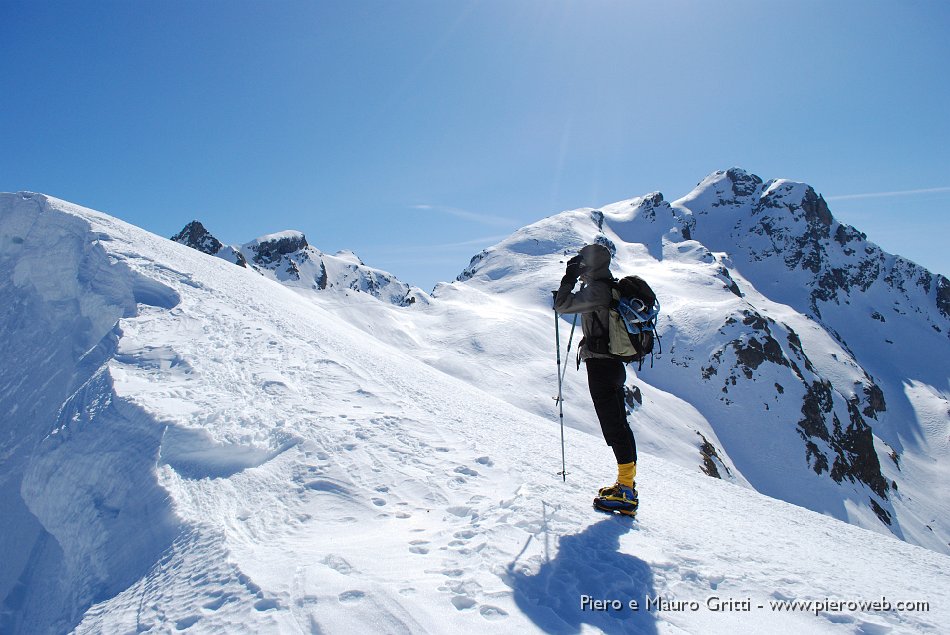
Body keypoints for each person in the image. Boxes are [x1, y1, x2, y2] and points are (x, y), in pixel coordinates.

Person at [554, 244, 638, 514]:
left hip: (602, 366)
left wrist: (568, 278)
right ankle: (625, 485)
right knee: (618, 425)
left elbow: (562, 305)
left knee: (614, 427)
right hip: (611, 365)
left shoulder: (599, 290)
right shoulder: (607, 287)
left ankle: (626, 492)